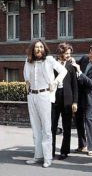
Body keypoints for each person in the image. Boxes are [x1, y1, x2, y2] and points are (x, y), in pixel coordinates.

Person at [23, 39, 67, 168]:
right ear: (32, 49)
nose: (38, 49)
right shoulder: (28, 61)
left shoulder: (49, 60)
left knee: (47, 129)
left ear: (44, 49)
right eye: (36, 47)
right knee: (35, 128)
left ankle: (47, 158)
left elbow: (63, 71)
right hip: (32, 96)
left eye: (41, 47)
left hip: (45, 96)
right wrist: (28, 90)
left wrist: (55, 82)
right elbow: (26, 78)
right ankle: (38, 156)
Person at [72, 42, 92, 156]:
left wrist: (80, 72)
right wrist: (71, 61)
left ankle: (91, 147)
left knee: (89, 120)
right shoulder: (85, 58)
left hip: (89, 96)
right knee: (78, 119)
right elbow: (75, 64)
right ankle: (82, 145)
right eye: (90, 52)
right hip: (79, 95)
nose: (89, 54)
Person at [52, 42, 78, 160]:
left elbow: (75, 85)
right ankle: (50, 150)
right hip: (54, 98)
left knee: (67, 126)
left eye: (69, 53)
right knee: (52, 126)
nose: (68, 55)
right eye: (66, 53)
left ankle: (64, 151)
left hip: (67, 98)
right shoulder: (52, 64)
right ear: (60, 53)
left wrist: (75, 102)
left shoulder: (71, 66)